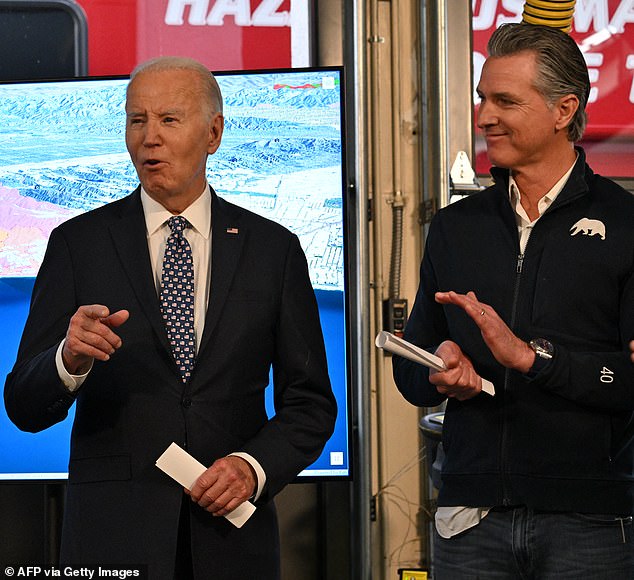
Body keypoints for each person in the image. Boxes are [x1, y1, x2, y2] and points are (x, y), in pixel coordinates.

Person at [4, 56, 336, 579]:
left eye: (169, 120)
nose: (149, 138)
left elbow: (311, 404)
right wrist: (67, 360)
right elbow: (23, 404)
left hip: (232, 543)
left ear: (214, 133)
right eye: (138, 121)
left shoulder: (274, 250)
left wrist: (252, 469)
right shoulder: (78, 244)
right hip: (112, 539)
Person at [393, 23, 634, 579]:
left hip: (589, 521)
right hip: (469, 519)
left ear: (563, 110)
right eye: (482, 98)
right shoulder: (455, 227)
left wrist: (532, 358)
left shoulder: (625, 226)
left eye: (505, 101)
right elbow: (411, 370)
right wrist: (438, 369)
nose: (483, 117)